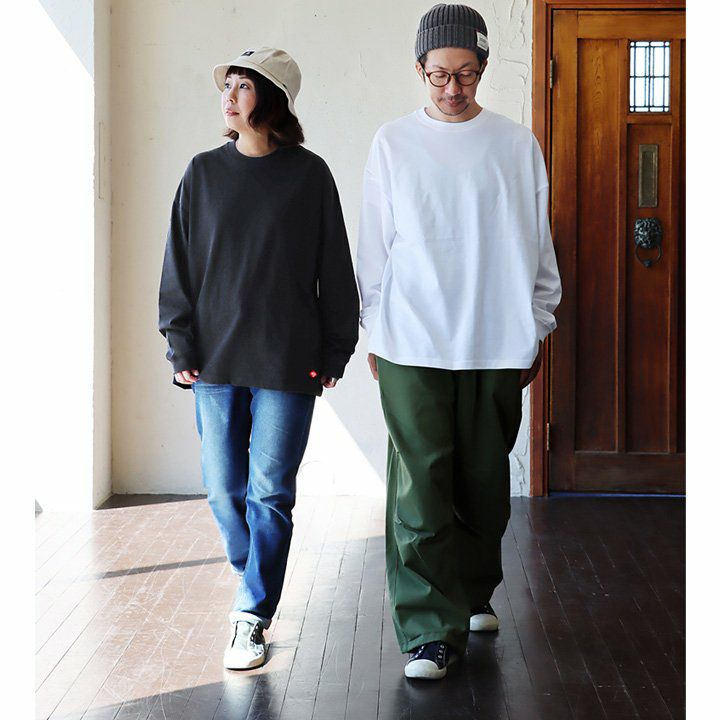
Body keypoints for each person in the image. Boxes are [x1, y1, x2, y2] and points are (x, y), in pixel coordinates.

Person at [356, 4, 562, 680]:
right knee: (420, 488)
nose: (452, 88)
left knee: (483, 482)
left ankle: (472, 593)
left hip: (496, 339)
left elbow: (538, 243)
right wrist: (377, 329)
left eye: (466, 74)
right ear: (420, 69)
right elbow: (375, 248)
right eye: (440, 74)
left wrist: (538, 322)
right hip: (412, 341)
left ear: (483, 68)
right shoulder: (393, 142)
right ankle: (428, 631)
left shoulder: (515, 144)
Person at [158, 47, 359, 670]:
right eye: (229, 85)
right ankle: (258, 578)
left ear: (271, 99)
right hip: (214, 361)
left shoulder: (309, 175)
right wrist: (179, 341)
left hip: (288, 360)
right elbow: (179, 264)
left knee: (270, 493)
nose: (229, 96)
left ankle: (251, 615)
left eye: (244, 86)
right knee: (224, 492)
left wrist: (336, 348)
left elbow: (334, 266)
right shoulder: (202, 173)